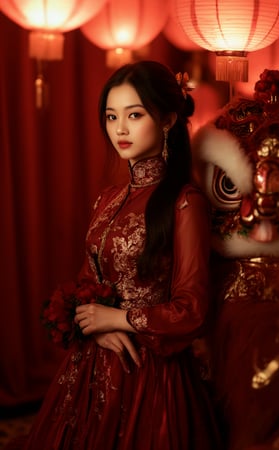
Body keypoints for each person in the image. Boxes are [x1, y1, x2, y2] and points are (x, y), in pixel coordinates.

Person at [19, 60, 220, 449]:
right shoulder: (108, 198)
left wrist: (120, 317)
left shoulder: (184, 202)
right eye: (112, 117)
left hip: (150, 373)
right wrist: (99, 325)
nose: (120, 129)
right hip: (94, 362)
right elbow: (84, 284)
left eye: (134, 114)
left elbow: (192, 308)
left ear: (166, 120)